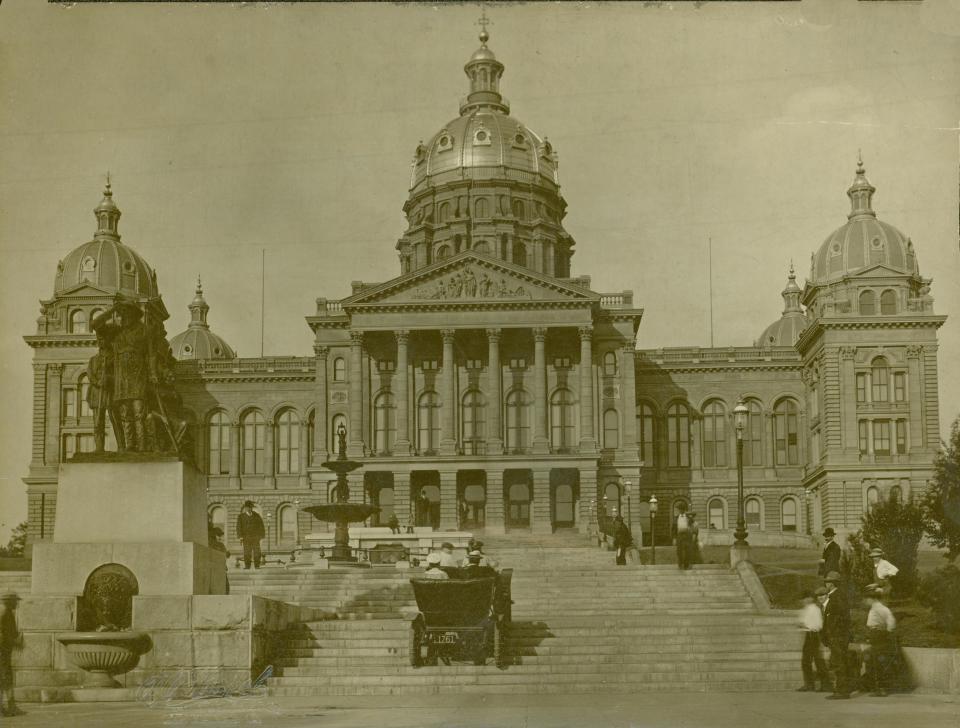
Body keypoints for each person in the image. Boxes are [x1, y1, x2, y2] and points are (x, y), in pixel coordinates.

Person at [821, 571, 853, 699]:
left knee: (839, 663)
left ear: (833, 583)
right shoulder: (835, 596)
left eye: (828, 581)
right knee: (838, 662)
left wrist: (833, 633)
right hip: (837, 635)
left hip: (837, 636)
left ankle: (842, 691)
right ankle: (841, 690)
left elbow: (841, 618)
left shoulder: (837, 597)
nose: (826, 583)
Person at [862, 585, 897, 696]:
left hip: (879, 635)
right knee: (874, 662)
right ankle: (877, 687)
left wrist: (886, 632)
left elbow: (891, 621)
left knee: (878, 662)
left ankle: (881, 689)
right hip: (875, 635)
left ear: (873, 598)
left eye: (867, 598)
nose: (866, 601)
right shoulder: (875, 608)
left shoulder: (879, 608)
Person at [797, 589, 829, 692]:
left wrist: (805, 625)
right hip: (808, 635)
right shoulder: (806, 609)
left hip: (813, 635)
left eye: (805, 598)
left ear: (810, 599)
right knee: (807, 661)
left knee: (816, 660)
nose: (803, 601)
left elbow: (818, 625)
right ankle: (810, 684)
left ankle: (824, 684)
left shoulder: (814, 609)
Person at [0, 592, 24, 718]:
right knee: (5, 678)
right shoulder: (5, 613)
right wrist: (16, 642)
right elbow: (4, 635)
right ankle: (9, 707)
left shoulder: (7, 613)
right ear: (10, 602)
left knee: (5, 678)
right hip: (2, 652)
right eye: (15, 601)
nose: (17, 603)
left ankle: (10, 706)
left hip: (4, 651)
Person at [236, 501, 265, 570]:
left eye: (251, 507)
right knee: (247, 552)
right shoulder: (241, 517)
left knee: (257, 552)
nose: (249, 509)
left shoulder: (256, 515)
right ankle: (247, 566)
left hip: (255, 538)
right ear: (245, 508)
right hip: (246, 538)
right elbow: (238, 527)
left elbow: (261, 526)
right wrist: (240, 536)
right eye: (248, 507)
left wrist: (261, 536)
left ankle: (257, 566)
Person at [208, 524, 230, 595]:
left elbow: (226, 554)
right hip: (214, 570)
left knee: (226, 587)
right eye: (218, 535)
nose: (220, 538)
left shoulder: (221, 545)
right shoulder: (210, 545)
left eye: (221, 536)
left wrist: (227, 553)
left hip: (221, 569)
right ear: (213, 535)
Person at [675, 504, 692, 570]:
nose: (680, 510)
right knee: (679, 550)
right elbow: (674, 528)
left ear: (684, 510)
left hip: (686, 535)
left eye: (681, 509)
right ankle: (680, 564)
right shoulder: (676, 517)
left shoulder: (688, 517)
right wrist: (674, 538)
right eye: (679, 509)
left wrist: (690, 518)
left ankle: (686, 565)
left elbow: (692, 523)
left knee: (687, 550)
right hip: (679, 535)